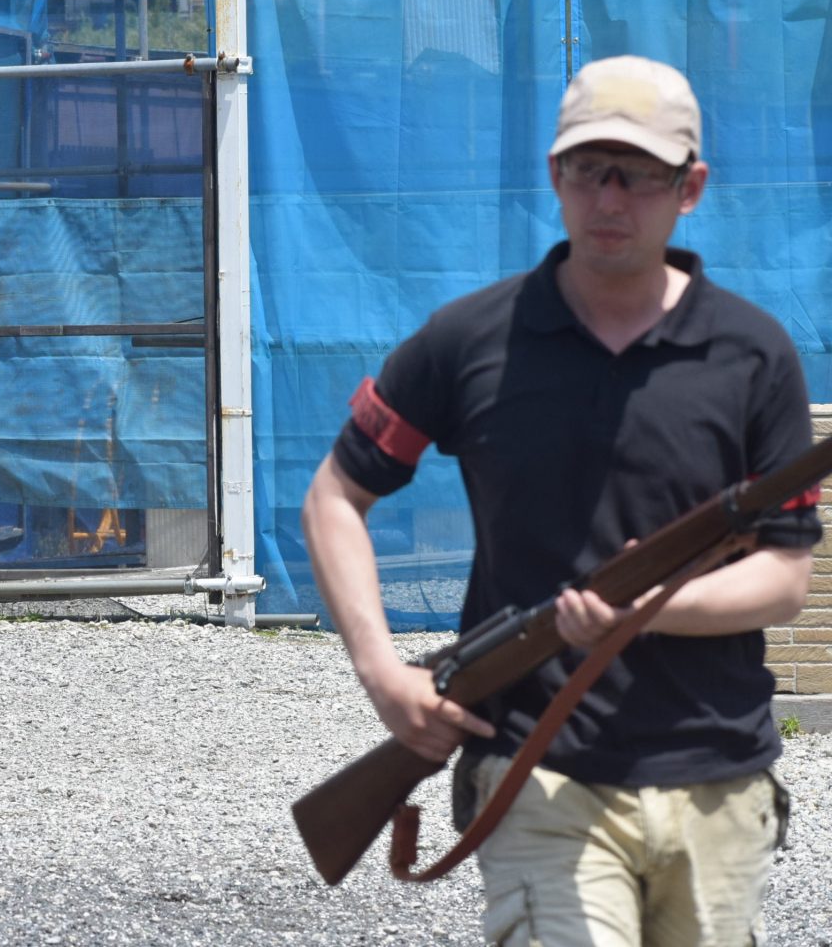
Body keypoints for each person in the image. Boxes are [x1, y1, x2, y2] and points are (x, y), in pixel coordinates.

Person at [302, 56, 817, 947]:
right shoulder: (469, 340)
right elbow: (335, 497)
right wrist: (383, 673)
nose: (609, 198)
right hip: (536, 773)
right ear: (555, 175)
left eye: (639, 175)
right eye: (589, 170)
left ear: (690, 188)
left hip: (717, 777)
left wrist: (644, 608)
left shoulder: (755, 354)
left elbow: (784, 576)